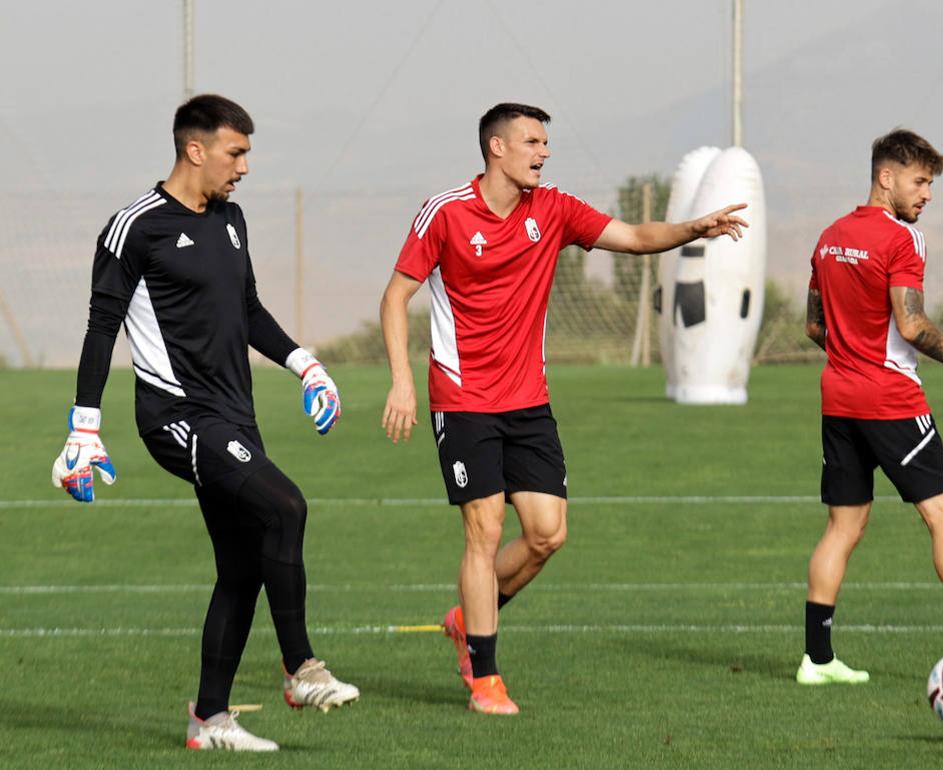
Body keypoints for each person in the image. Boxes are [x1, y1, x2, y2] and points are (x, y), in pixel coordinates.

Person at [379, 103, 747, 715]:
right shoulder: (444, 213)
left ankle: (468, 617)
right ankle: (485, 678)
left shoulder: (552, 209)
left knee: (548, 534)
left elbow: (630, 237)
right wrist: (401, 382)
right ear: (496, 147)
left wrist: (693, 228)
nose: (544, 153)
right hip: (463, 397)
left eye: (546, 143)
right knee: (485, 529)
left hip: (529, 401)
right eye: (532, 141)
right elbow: (396, 296)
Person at [51, 94, 359, 751]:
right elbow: (101, 327)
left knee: (244, 567)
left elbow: (246, 308)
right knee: (287, 509)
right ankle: (302, 668)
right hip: (176, 417)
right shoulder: (135, 226)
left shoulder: (231, 219)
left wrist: (306, 365)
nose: (244, 167)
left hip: (235, 418)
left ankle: (209, 720)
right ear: (196, 150)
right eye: (235, 152)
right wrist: (84, 427)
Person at [798, 128, 943, 687]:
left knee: (842, 527)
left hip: (838, 398)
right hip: (892, 399)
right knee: (942, 515)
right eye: (920, 181)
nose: (926, 194)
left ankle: (817, 660)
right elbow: (912, 324)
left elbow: (812, 326)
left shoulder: (828, 238)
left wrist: (851, 356)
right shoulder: (902, 240)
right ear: (886, 176)